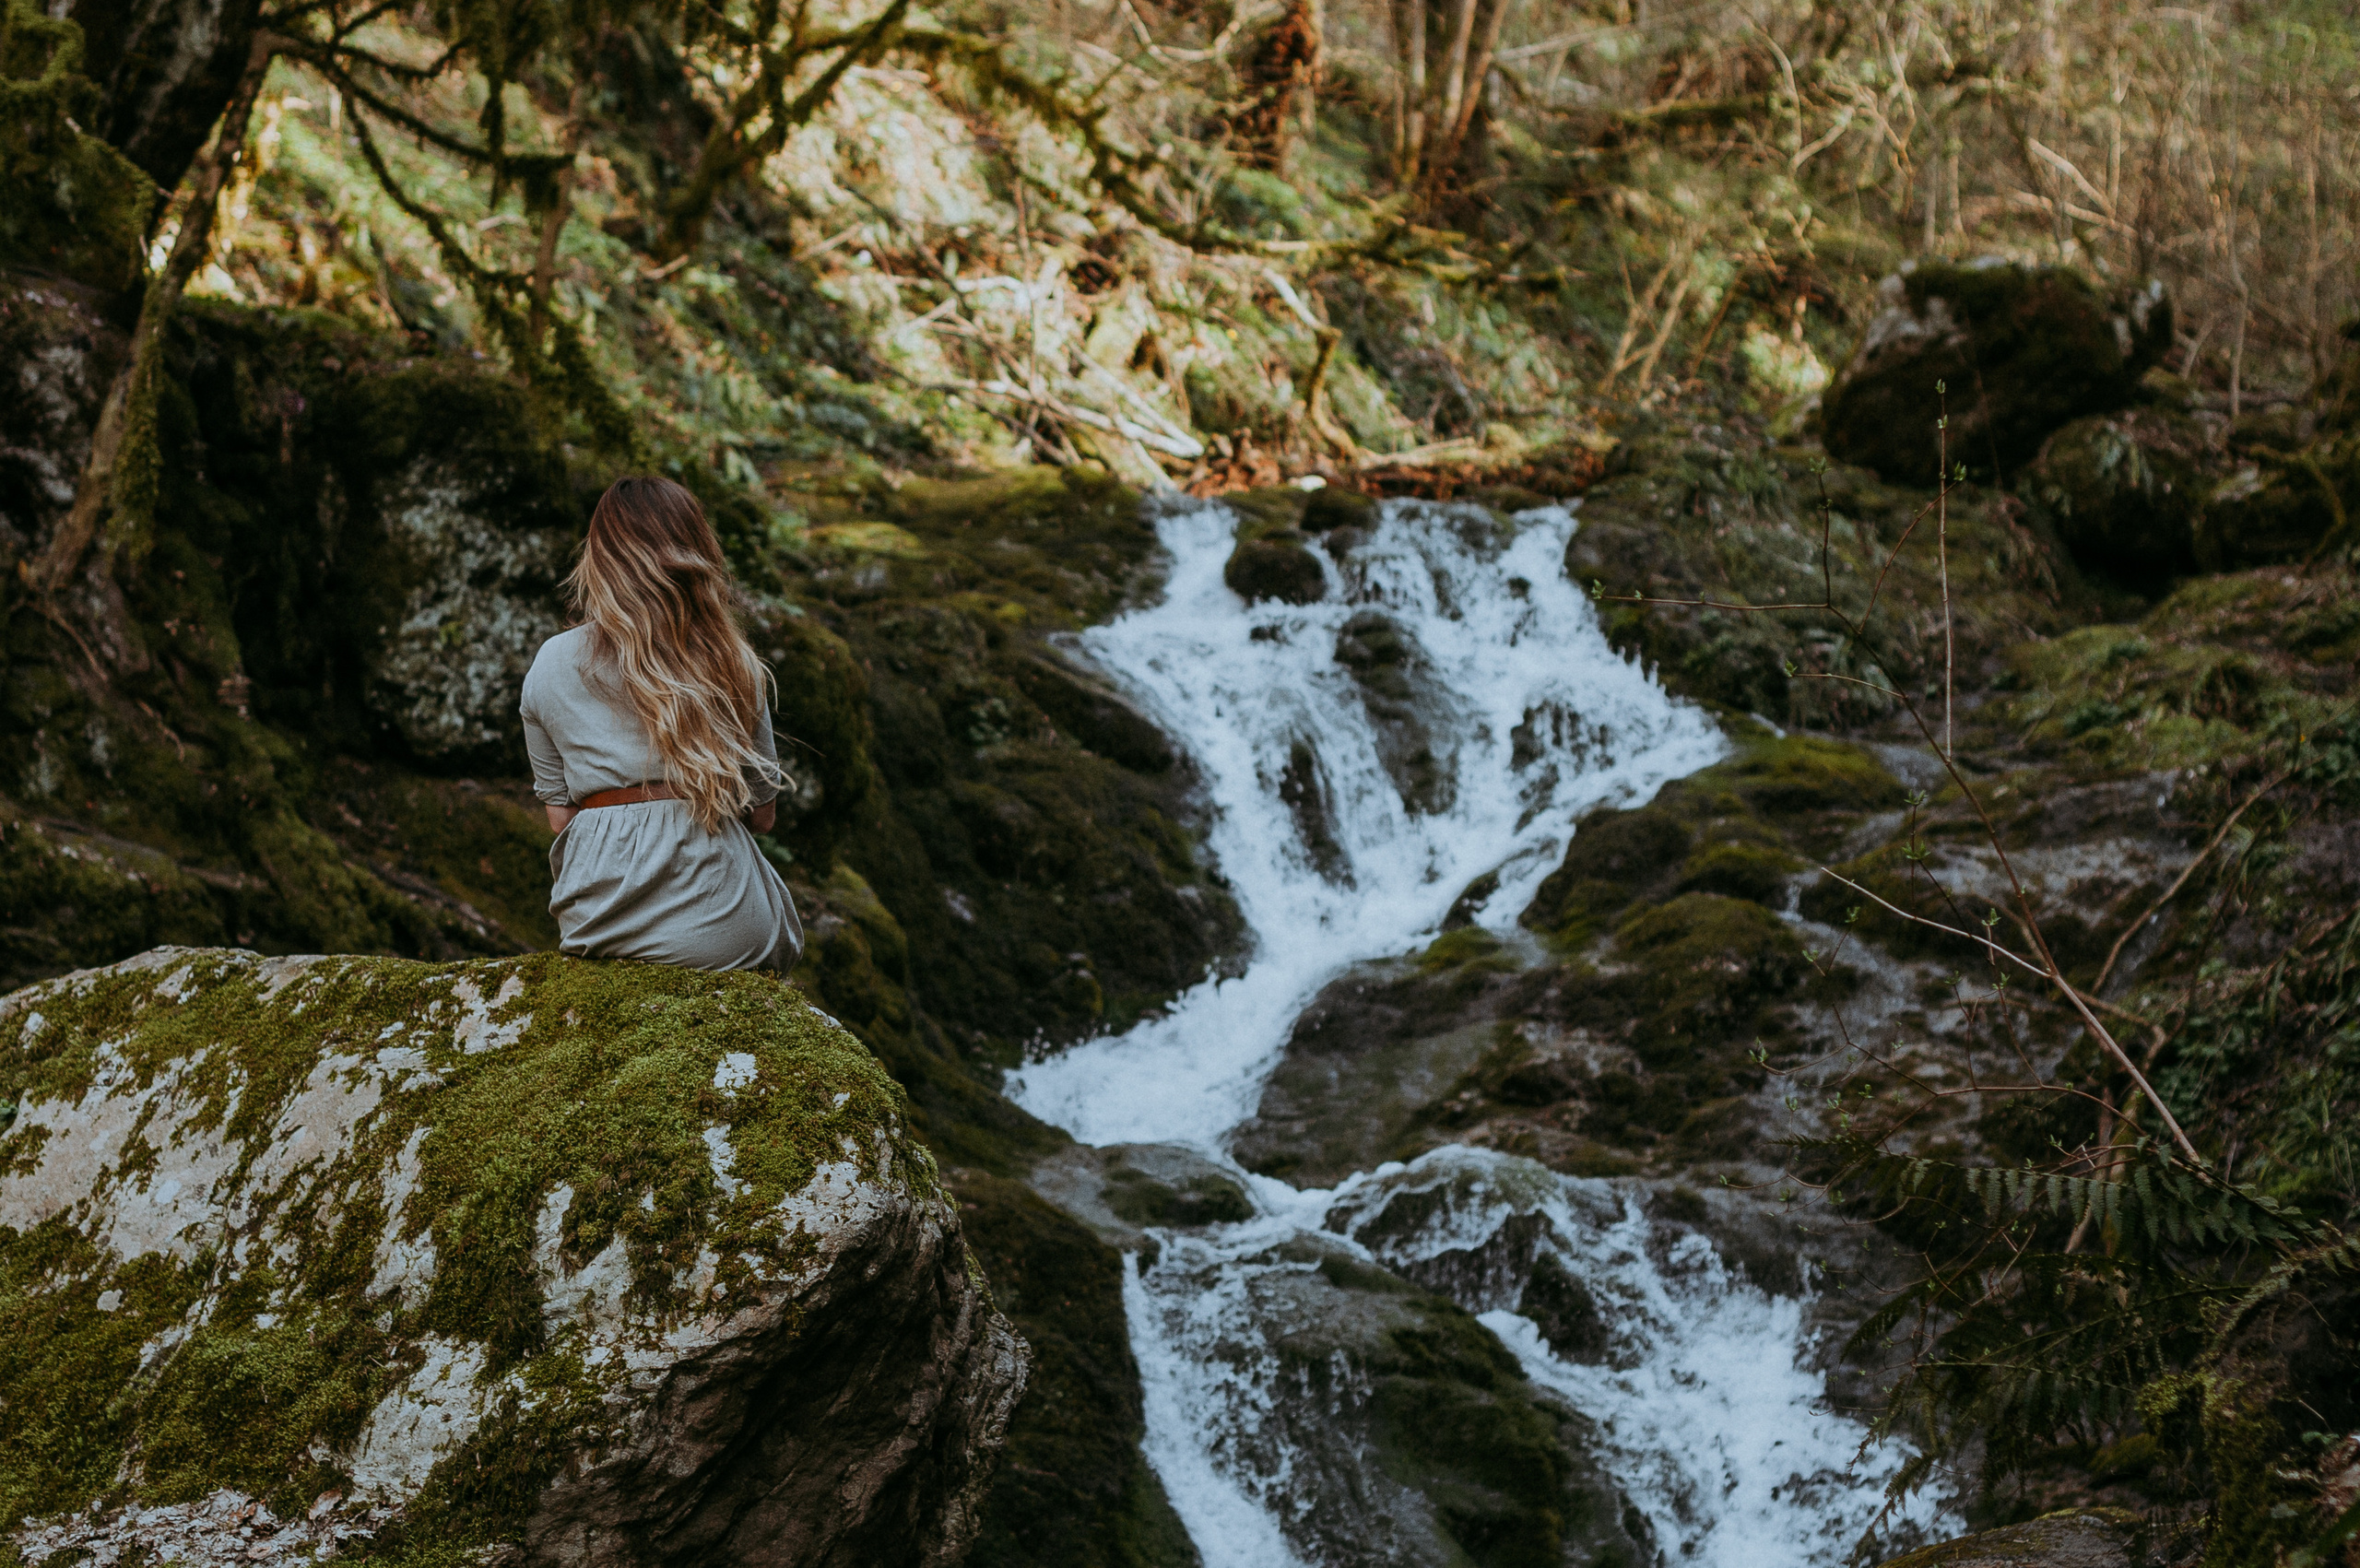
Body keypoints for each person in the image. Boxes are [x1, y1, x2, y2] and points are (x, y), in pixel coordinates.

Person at [520, 476, 803, 972]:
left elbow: (561, 819)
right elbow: (762, 817)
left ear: (600, 559)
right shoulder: (731, 660)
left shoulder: (550, 662)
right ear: (696, 553)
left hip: (597, 923)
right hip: (722, 925)